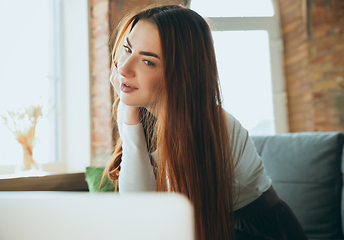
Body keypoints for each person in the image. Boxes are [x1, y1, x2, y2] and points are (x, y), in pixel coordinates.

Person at [102, 4, 308, 240]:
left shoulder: (209, 126)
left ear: (179, 73)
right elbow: (140, 207)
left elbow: (159, 218)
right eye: (127, 49)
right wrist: (128, 115)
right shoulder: (141, 111)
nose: (124, 68)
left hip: (254, 231)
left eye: (148, 62)